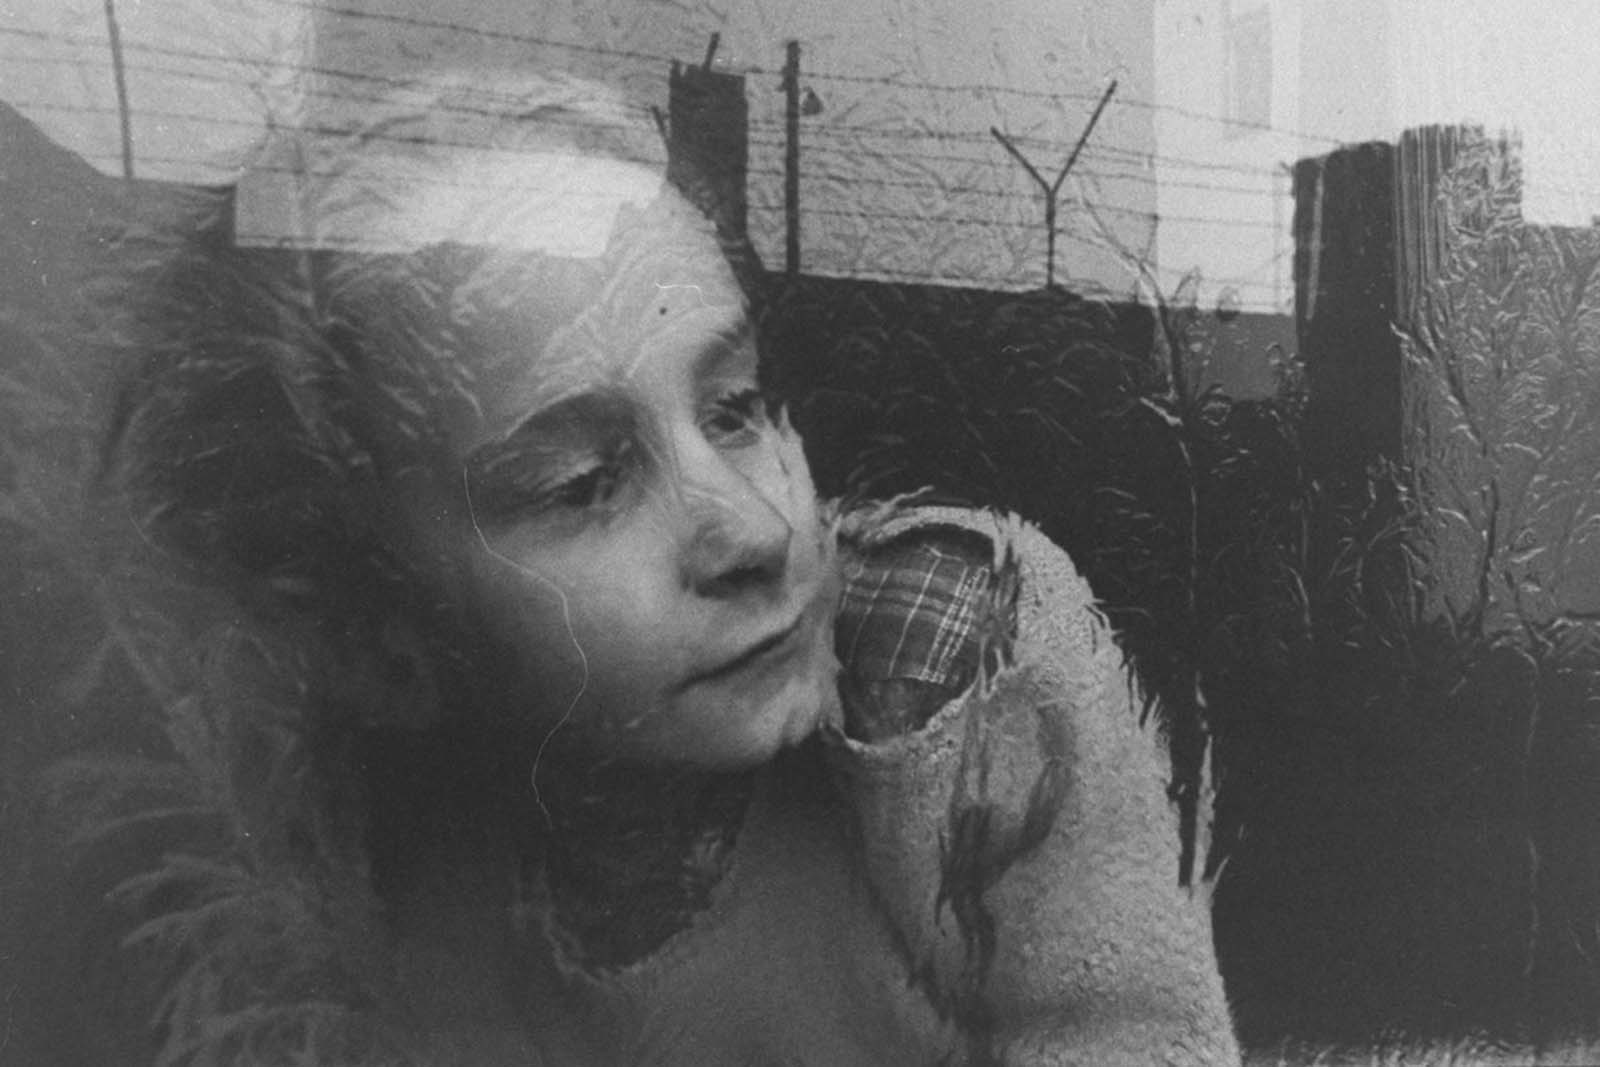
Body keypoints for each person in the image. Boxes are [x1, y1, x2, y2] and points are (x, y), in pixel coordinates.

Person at [33, 74, 1240, 1065]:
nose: (756, 532)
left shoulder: (943, 651)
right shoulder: (427, 867)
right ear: (380, 646)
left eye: (737, 404)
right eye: (581, 483)